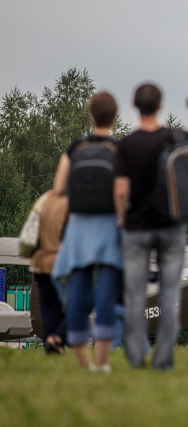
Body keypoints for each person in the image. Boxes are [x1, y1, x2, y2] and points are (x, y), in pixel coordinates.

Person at [114, 85, 188, 370]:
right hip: (171, 227)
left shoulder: (126, 144)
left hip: (136, 229)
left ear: (135, 105)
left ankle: (137, 358)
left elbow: (122, 191)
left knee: (136, 296)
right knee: (170, 294)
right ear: (160, 105)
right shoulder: (177, 138)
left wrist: (122, 222)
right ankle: (163, 360)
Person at [52, 91, 123, 371]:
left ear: (90, 114)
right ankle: (103, 363)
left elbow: (59, 188)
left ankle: (83, 364)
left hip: (79, 227)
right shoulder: (119, 151)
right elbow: (123, 192)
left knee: (78, 295)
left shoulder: (75, 149)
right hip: (108, 226)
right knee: (106, 296)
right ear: (115, 116)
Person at [30, 190, 69, 355]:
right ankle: (58, 337)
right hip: (59, 262)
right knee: (78, 304)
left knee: (49, 308)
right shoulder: (71, 204)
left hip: (39, 262)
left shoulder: (44, 199)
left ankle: (51, 345)